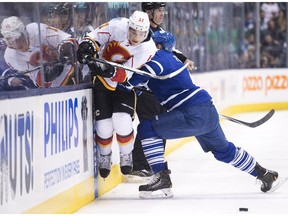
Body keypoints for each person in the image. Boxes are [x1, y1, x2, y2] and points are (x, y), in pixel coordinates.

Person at [118, 31, 281, 199]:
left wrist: (113, 75)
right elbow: (150, 82)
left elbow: (130, 82)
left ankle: (162, 179)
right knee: (224, 151)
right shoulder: (170, 58)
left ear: (157, 46)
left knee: (147, 128)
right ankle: (264, 174)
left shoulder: (159, 58)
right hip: (206, 110)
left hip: (192, 113)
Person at [76, 10, 157, 178]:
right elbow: (94, 37)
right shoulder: (117, 25)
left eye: (140, 33)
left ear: (146, 32)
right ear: (128, 26)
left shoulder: (148, 48)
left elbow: (124, 75)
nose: (136, 36)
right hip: (102, 83)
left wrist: (104, 67)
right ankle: (104, 155)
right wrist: (87, 47)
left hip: (124, 86)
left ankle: (126, 153)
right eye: (133, 31)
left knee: (122, 121)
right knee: (104, 127)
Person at [127, 2, 195, 180]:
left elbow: (170, 49)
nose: (162, 13)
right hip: (144, 86)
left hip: (156, 87)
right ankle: (139, 165)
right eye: (159, 10)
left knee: (160, 122)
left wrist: (183, 58)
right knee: (150, 122)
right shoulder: (142, 31)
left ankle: (154, 163)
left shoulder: (158, 30)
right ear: (148, 12)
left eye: (163, 10)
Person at [1, 16, 78, 88]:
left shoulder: (37, 30)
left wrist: (66, 52)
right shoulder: (10, 56)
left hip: (70, 72)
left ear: (24, 31)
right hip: (52, 89)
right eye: (11, 41)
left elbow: (68, 40)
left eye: (19, 38)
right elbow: (36, 77)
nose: (17, 44)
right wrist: (47, 74)